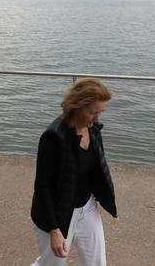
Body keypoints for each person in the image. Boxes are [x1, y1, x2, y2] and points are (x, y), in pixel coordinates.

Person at [30, 78, 117, 265]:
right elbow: (42, 186)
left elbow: (96, 170)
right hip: (58, 214)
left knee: (97, 263)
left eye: (101, 112)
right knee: (52, 263)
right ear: (77, 106)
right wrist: (54, 230)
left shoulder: (93, 130)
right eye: (93, 112)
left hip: (87, 208)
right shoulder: (53, 137)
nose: (97, 117)